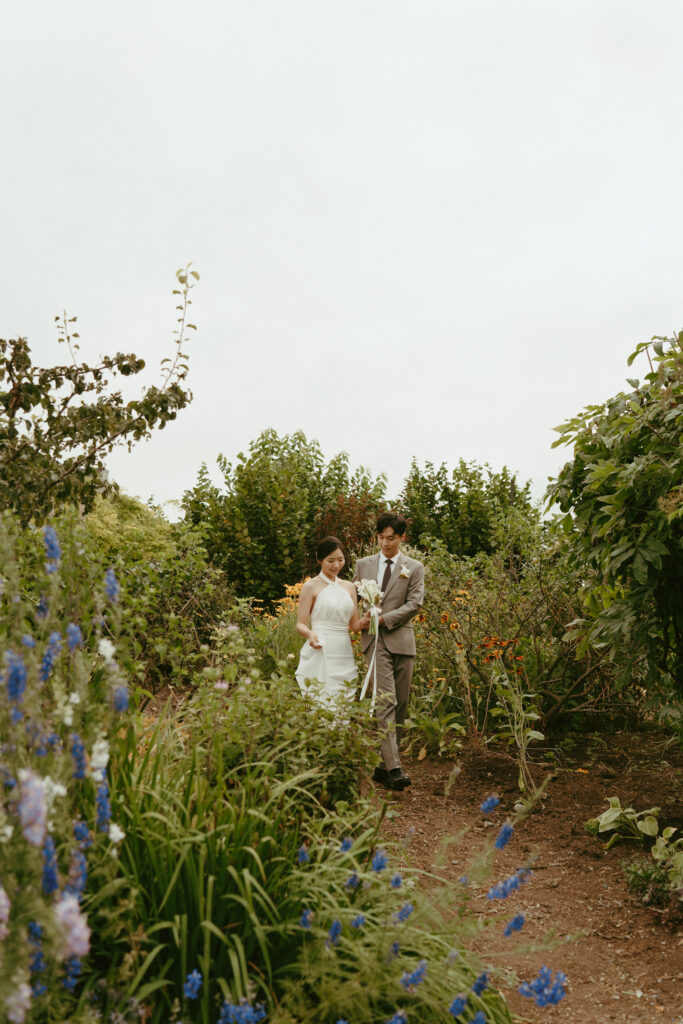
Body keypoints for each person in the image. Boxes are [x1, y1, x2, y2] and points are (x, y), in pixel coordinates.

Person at [353, 512, 424, 791]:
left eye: (391, 538)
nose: (385, 543)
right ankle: (395, 768)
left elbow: (415, 604)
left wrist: (385, 618)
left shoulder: (414, 567)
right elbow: (353, 600)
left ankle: (383, 768)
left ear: (402, 538)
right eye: (381, 537)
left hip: (402, 641)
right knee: (385, 700)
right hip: (374, 641)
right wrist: (359, 620)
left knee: (402, 705)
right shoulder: (363, 565)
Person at [295, 536, 365, 707]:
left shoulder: (349, 587)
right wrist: (310, 634)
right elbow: (300, 624)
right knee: (321, 698)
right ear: (320, 559)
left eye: (340, 560)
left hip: (343, 650)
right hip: (321, 647)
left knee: (343, 697)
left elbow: (354, 625)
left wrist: (369, 619)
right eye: (330, 560)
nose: (336, 565)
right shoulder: (310, 586)